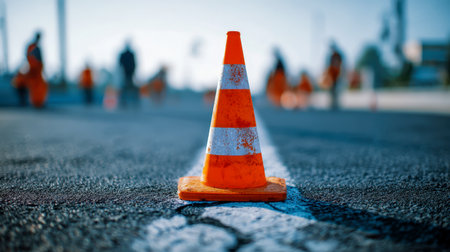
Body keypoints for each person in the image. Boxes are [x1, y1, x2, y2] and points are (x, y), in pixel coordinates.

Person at [26, 32, 48, 108]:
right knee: (36, 86)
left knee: (40, 86)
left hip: (37, 69)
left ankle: (39, 102)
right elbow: (32, 58)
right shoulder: (33, 47)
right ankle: (37, 102)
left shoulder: (34, 47)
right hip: (34, 69)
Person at [119, 42, 139, 107]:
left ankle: (133, 101)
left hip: (129, 73)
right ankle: (124, 102)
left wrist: (133, 71)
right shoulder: (125, 54)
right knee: (125, 87)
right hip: (126, 73)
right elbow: (120, 63)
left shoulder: (130, 54)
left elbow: (134, 63)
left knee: (128, 87)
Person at [326, 42, 343, 110]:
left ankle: (336, 104)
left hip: (337, 75)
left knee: (337, 91)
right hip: (331, 76)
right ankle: (332, 104)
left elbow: (341, 65)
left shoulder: (338, 55)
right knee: (332, 91)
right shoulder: (331, 56)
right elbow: (328, 66)